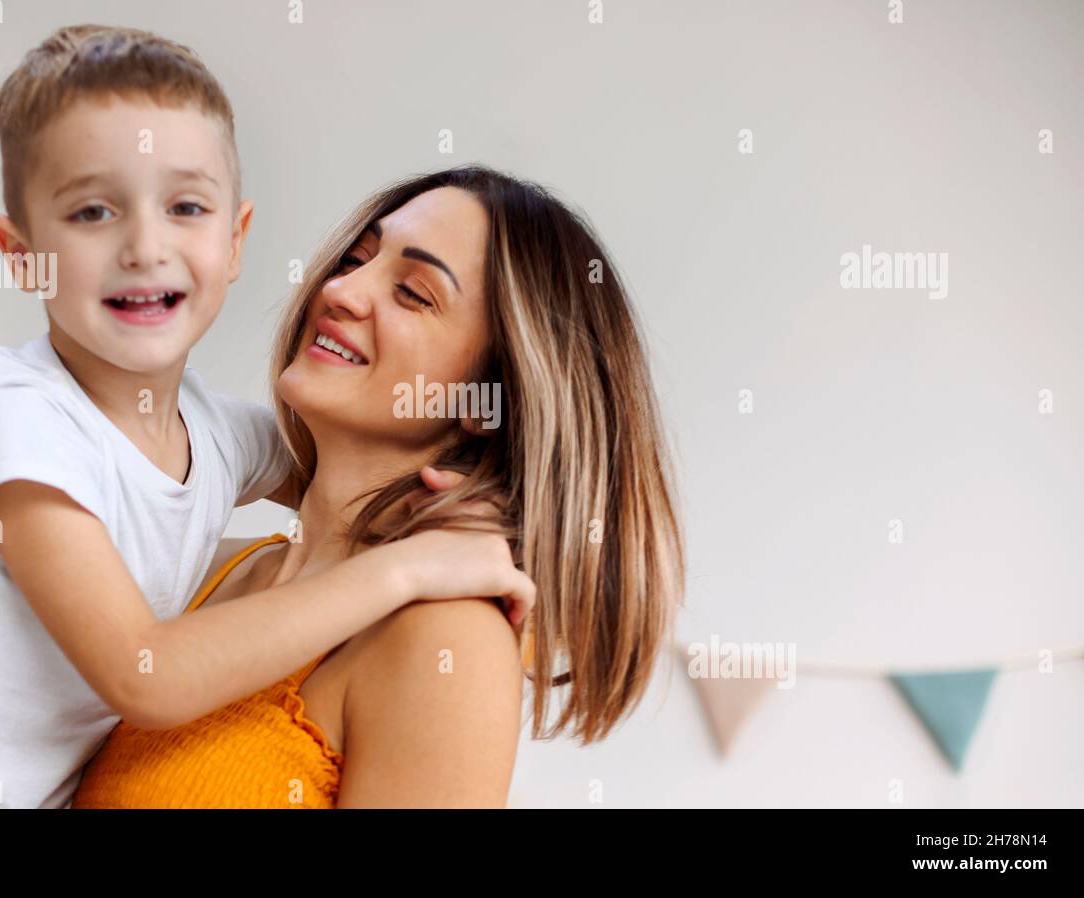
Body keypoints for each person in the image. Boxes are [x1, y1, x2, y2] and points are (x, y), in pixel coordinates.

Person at [0, 27, 532, 810]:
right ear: (18, 253)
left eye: (185, 206)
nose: (144, 247)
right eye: (91, 212)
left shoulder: (216, 437)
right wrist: (410, 566)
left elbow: (320, 482)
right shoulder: (15, 418)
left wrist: (492, 542)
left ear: (235, 238)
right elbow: (148, 672)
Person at [71, 165, 687, 808]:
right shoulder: (212, 567)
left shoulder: (446, 638)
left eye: (414, 293)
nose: (340, 290)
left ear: (487, 400)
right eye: (357, 258)